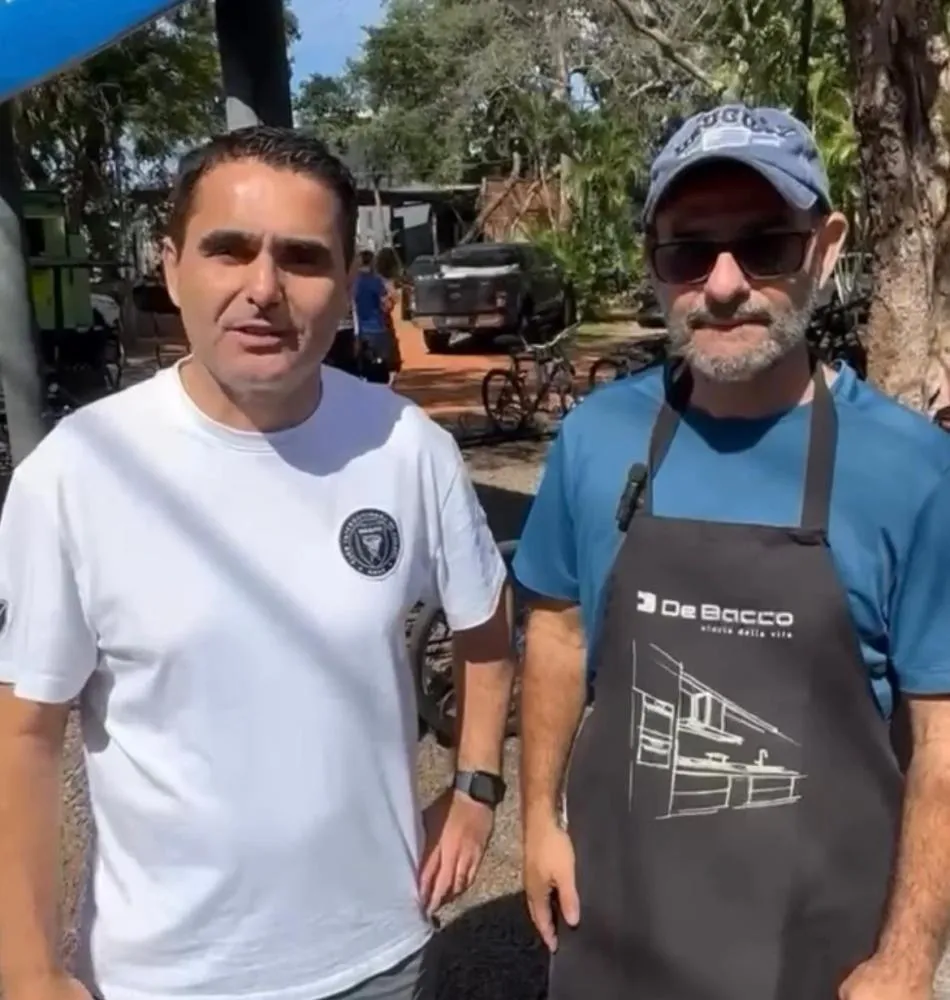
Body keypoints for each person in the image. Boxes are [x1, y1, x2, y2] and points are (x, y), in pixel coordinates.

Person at [0, 126, 515, 1000]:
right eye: (229, 250)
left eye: (303, 258)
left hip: (378, 959)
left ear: (350, 276)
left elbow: (487, 628)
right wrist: (25, 967)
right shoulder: (77, 473)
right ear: (171, 267)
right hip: (161, 978)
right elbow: (24, 734)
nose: (264, 289)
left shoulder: (405, 448)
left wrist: (474, 788)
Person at [514, 103, 950, 1000]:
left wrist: (909, 955)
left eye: (765, 246)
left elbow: (942, 738)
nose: (721, 283)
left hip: (819, 954)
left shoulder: (914, 470)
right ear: (653, 264)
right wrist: (536, 821)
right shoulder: (597, 438)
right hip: (617, 938)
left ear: (826, 248)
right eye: (687, 251)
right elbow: (554, 630)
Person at [353, 249, 401, 383]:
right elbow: (386, 306)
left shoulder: (353, 283)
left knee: (364, 370)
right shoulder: (376, 281)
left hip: (360, 331)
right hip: (378, 329)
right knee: (384, 369)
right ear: (373, 262)